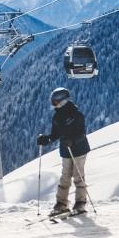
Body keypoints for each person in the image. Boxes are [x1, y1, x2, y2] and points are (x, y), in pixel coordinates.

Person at [37, 87, 91, 218]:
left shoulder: (76, 114)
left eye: (55, 102)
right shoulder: (57, 116)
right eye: (52, 102)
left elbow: (81, 134)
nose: (53, 104)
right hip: (66, 151)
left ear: (63, 101)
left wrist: (71, 141)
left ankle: (80, 204)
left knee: (78, 176)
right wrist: (46, 139)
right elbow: (55, 135)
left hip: (79, 150)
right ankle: (61, 205)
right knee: (65, 177)